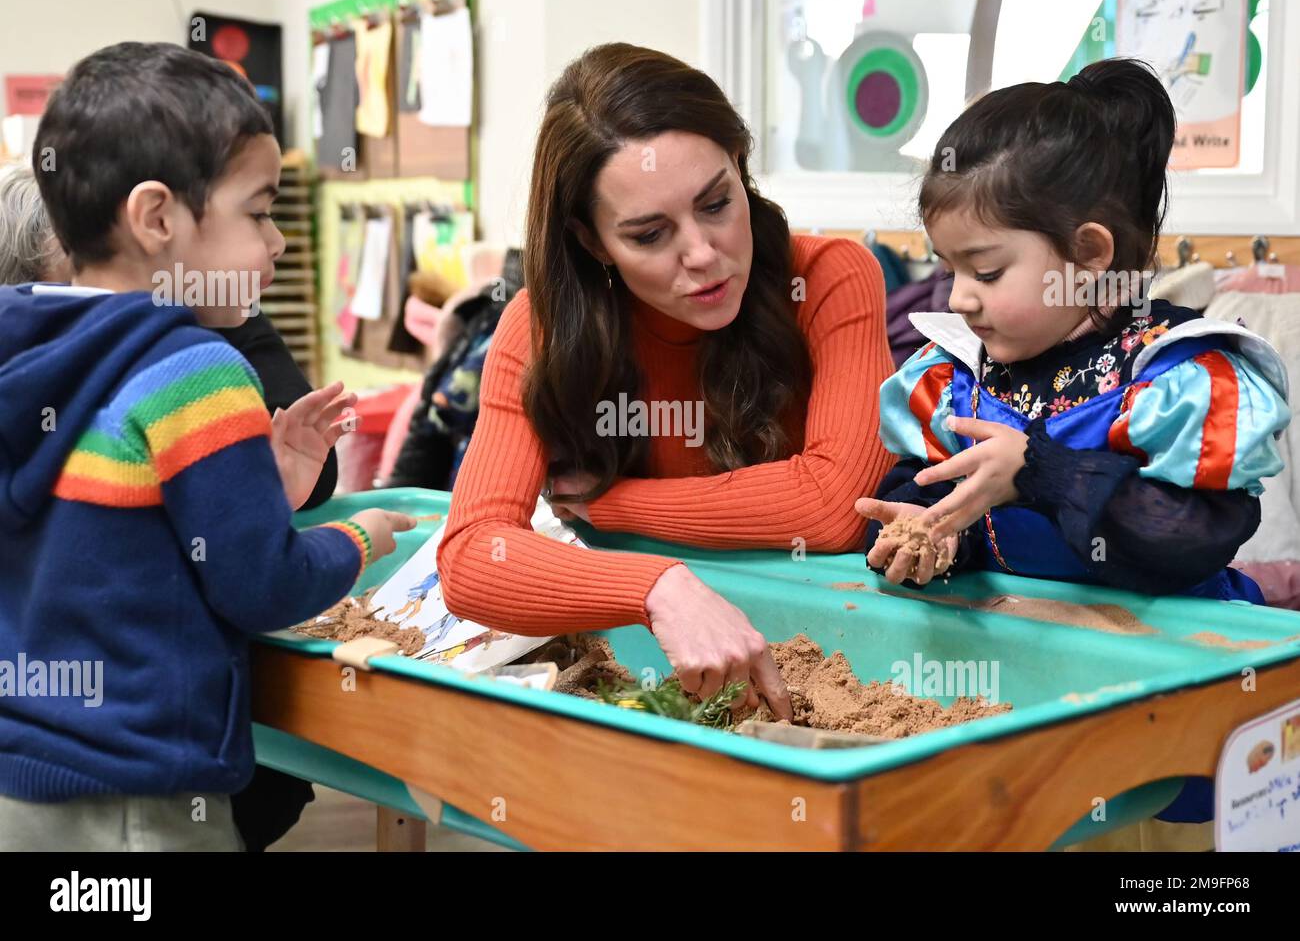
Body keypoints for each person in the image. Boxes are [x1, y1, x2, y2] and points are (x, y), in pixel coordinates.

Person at [0, 42, 414, 850]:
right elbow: (257, 584)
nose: (280, 244)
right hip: (144, 791)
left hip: (26, 778)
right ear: (157, 218)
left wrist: (264, 485)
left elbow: (108, 531)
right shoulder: (195, 369)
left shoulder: (26, 345)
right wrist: (357, 539)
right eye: (259, 213)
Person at [857, 58, 1289, 824]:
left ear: (1089, 255)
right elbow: (918, 486)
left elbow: (1192, 536)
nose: (957, 297)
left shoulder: (1171, 373)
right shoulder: (952, 377)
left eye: (984, 270)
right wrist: (926, 536)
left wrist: (1042, 473)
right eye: (947, 266)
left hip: (1176, 691)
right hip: (1025, 686)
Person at [437, 45, 897, 716]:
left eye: (716, 203)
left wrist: (608, 504)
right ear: (592, 243)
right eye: (650, 235)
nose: (704, 255)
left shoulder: (830, 276)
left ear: (741, 168)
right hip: (653, 655)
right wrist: (660, 586)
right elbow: (474, 558)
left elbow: (834, 506)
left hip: (833, 654)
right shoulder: (540, 327)